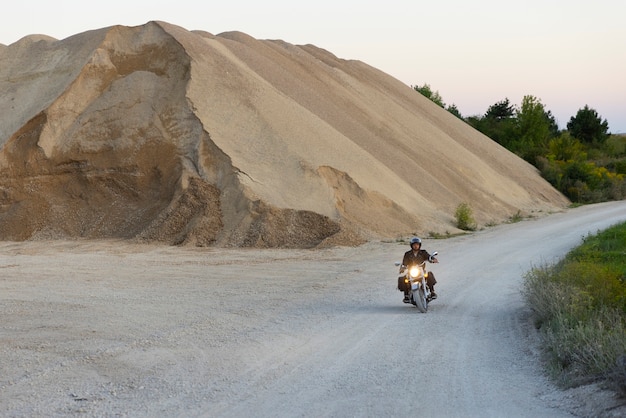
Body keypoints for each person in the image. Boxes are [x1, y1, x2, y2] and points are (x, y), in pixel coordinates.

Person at [398, 236, 438, 303]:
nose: (416, 246)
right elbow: (404, 262)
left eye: (417, 244)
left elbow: (428, 257)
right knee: (403, 279)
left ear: (419, 245)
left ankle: (432, 292)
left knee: (429, 275)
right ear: (411, 245)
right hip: (411, 271)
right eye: (414, 245)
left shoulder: (423, 252)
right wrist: (402, 267)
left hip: (421, 271)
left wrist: (433, 259)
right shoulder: (407, 254)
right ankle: (406, 295)